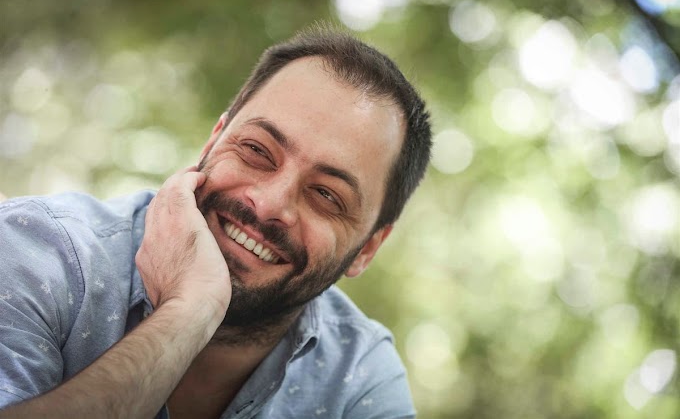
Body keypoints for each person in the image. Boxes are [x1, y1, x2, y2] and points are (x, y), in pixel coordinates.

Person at [0, 26, 432, 418]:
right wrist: (190, 311)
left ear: (368, 249)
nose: (267, 205)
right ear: (215, 139)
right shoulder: (35, 250)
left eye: (326, 195)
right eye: (257, 150)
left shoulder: (360, 377)